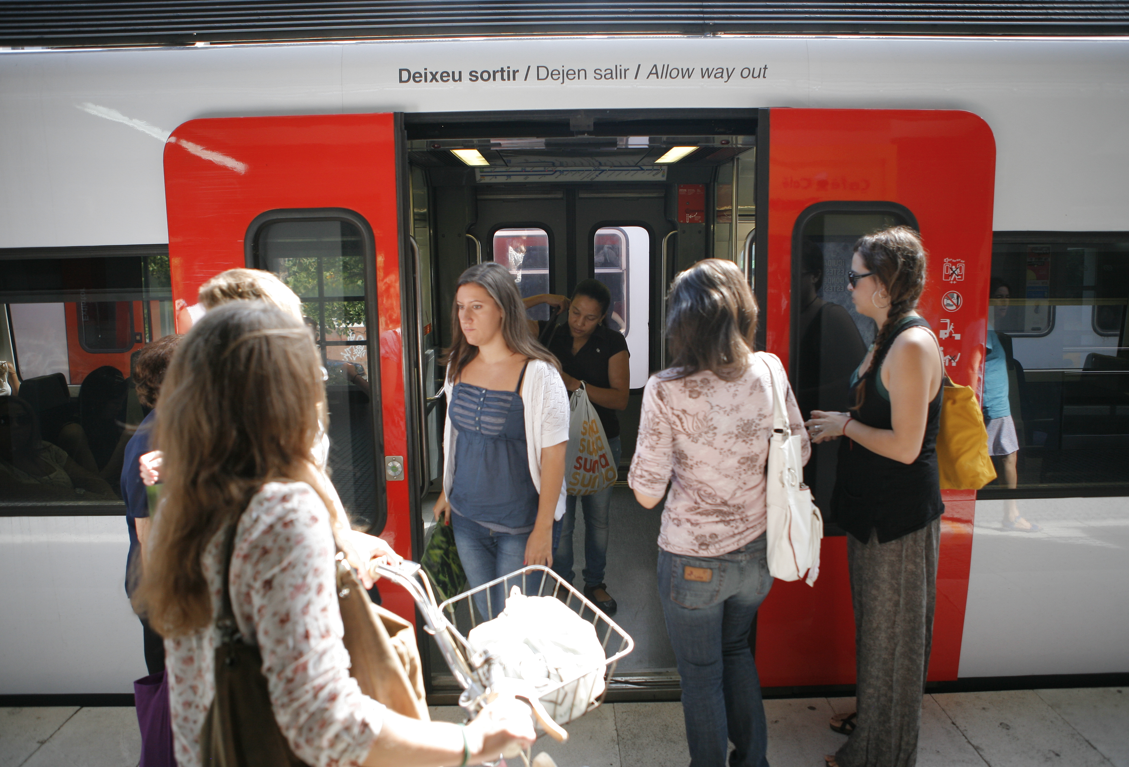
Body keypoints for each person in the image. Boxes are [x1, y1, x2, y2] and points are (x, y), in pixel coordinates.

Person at [131, 301, 535, 767]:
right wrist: (475, 742)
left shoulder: (189, 489)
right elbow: (324, 720)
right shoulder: (281, 511)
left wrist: (337, 540)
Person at [628, 259, 809, 767]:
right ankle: (753, 762)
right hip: (757, 556)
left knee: (701, 676)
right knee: (736, 654)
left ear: (681, 322)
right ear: (742, 311)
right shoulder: (769, 369)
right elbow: (800, 451)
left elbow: (645, 492)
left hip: (692, 561)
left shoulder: (666, 388)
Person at [804, 226, 945, 767]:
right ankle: (874, 727)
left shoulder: (909, 345)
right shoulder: (885, 336)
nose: (850, 286)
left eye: (856, 276)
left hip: (898, 519)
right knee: (879, 636)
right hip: (873, 514)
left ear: (883, 285)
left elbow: (906, 446)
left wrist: (844, 427)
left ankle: (882, 754)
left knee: (894, 644)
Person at [433, 262, 569, 619]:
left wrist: (543, 530)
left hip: (520, 526)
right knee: (488, 618)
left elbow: (555, 456)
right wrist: (447, 491)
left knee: (519, 629)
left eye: (477, 306)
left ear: (503, 310)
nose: (466, 316)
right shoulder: (457, 366)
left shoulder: (539, 374)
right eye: (461, 307)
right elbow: (457, 436)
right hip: (466, 520)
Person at [525, 280, 629, 615]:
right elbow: (501, 312)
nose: (578, 322)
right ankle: (562, 582)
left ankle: (595, 582)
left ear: (602, 319)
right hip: (555, 443)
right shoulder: (550, 332)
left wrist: (575, 385)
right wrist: (543, 298)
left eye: (589, 317)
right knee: (562, 521)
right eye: (575, 312)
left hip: (600, 441)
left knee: (598, 520)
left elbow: (621, 399)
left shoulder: (612, 342)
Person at [121, 334, 183, 677]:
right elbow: (148, 533)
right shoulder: (151, 440)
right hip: (164, 590)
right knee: (169, 694)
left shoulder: (175, 430)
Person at [986, 277, 1039, 532]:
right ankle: (1011, 516)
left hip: (995, 405)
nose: (1004, 301)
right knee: (1008, 457)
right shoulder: (984, 329)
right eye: (998, 295)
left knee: (1006, 456)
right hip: (990, 406)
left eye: (1007, 296)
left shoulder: (994, 331)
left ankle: (1009, 514)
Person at [0, 395, 116, 501]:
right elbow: (36, 493)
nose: (15, 426)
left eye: (22, 419)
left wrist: (111, 500)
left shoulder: (46, 449)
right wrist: (88, 498)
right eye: (4, 420)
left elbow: (91, 480)